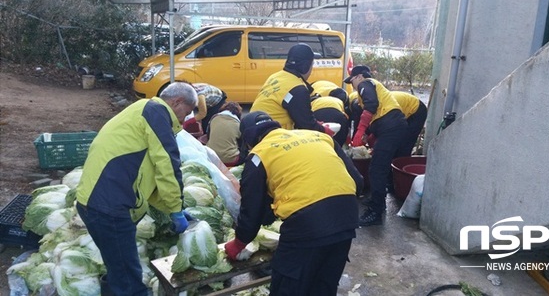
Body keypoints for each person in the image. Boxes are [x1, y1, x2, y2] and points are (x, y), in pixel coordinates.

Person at [75, 82, 198, 295]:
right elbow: (168, 164)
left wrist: (172, 209)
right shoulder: (157, 113)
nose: (183, 119)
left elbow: (146, 179)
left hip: (95, 203)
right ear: (176, 102)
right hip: (110, 208)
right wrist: (176, 208)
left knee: (118, 269)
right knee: (130, 283)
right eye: (185, 112)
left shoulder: (141, 110)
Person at [224, 111, 363, 296]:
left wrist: (239, 242)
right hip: (347, 218)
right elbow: (358, 181)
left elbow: (252, 209)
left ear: (248, 139)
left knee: (288, 286)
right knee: (324, 285)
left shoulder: (259, 155)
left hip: (306, 225)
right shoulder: (319, 136)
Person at [345, 65, 408, 226]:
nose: (352, 85)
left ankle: (375, 213)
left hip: (391, 127)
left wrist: (360, 131)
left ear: (358, 77)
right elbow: (378, 115)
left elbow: (371, 105)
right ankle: (376, 199)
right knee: (380, 166)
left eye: (351, 80)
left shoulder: (366, 84)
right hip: (392, 126)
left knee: (376, 169)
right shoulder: (374, 87)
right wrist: (369, 135)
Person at [250, 43, 335, 136]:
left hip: (253, 129)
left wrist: (316, 123)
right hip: (271, 136)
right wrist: (324, 131)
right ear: (305, 66)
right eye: (312, 64)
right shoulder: (297, 89)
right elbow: (307, 125)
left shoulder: (276, 77)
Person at [205, 101, 245, 167]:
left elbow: (208, 136)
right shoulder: (238, 124)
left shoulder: (213, 119)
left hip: (211, 156)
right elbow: (241, 143)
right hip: (230, 159)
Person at [391, 91, 428, 156]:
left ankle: (401, 163)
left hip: (417, 110)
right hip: (403, 110)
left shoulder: (384, 108)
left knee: (405, 142)